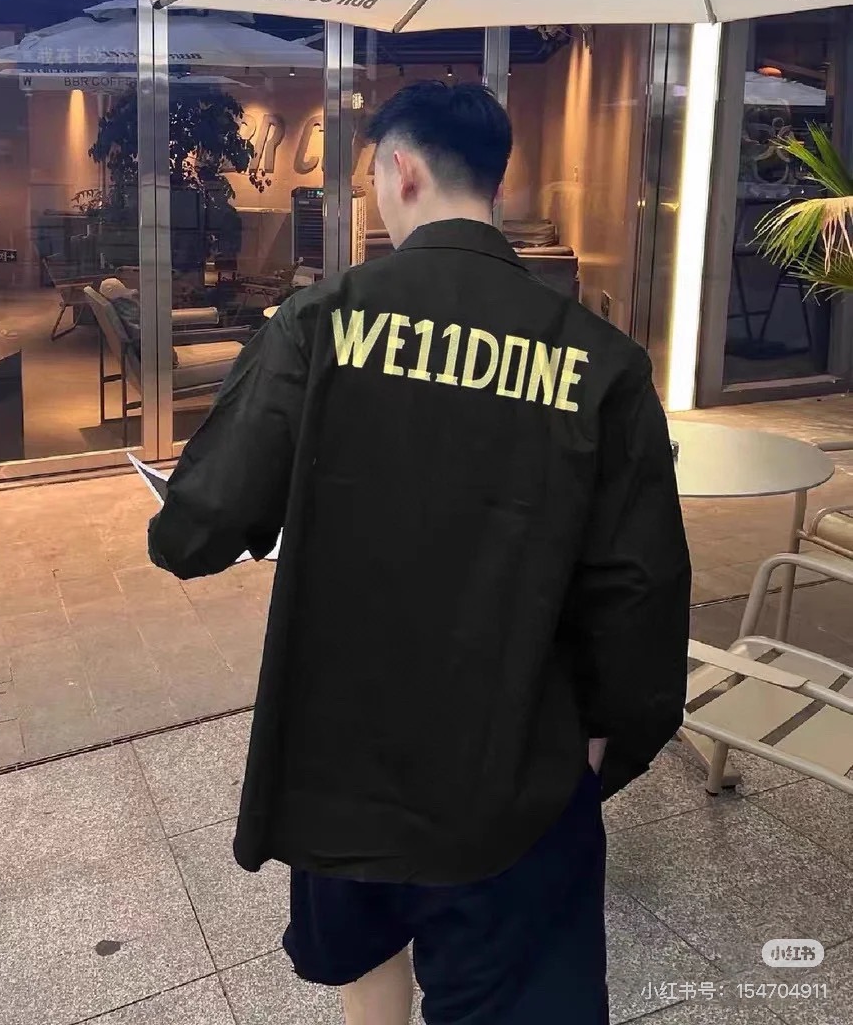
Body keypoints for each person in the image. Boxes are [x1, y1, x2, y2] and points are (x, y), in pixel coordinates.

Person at [148, 80, 691, 1025]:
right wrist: (608, 743)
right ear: (494, 182)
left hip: (343, 760)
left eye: (369, 179)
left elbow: (197, 532)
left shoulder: (318, 322)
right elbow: (640, 587)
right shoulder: (601, 361)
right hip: (514, 767)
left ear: (401, 172)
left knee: (368, 970)